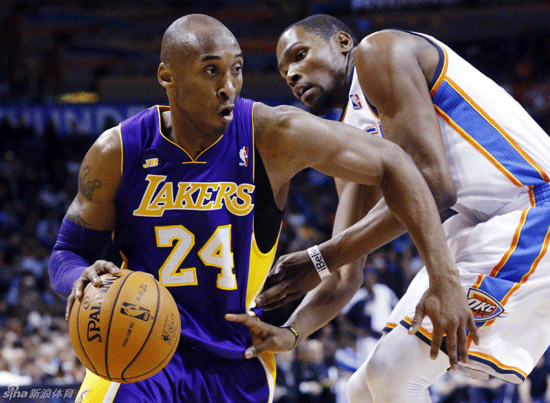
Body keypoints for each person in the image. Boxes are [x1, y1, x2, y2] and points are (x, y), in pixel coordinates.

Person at [47, 14, 467, 403]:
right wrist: (78, 278)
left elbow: (396, 163)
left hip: (238, 356)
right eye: (211, 70)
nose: (229, 84)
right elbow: (65, 254)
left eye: (237, 68)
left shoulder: (272, 134)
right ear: (167, 76)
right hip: (138, 348)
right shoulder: (118, 150)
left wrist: (443, 278)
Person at [228, 14, 550, 403]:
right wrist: (293, 333)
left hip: (534, 209)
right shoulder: (350, 141)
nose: (292, 75)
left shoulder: (378, 51)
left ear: (343, 42)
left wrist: (320, 256)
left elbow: (432, 186)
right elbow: (344, 276)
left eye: (299, 55)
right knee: (360, 389)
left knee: (393, 375)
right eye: (284, 72)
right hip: (481, 223)